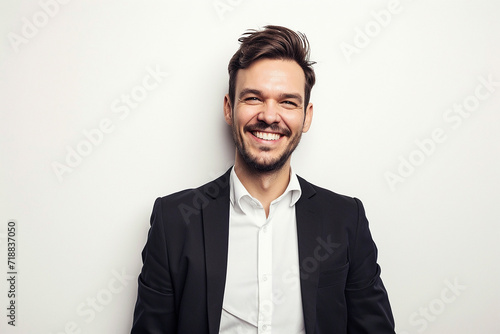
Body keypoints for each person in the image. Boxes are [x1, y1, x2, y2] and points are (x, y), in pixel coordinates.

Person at [131, 25, 395, 334]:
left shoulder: (345, 219)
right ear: (229, 108)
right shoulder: (174, 220)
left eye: (287, 102)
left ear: (306, 116)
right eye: (254, 98)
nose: (269, 116)